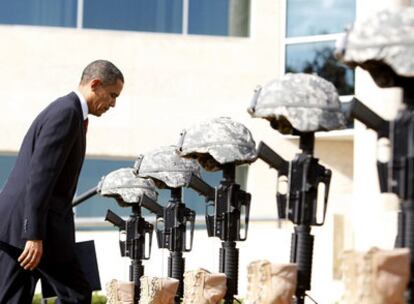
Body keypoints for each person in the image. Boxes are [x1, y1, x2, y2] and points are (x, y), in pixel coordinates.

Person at [0, 59, 124, 303]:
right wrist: (33, 235)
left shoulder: (70, 113)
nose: (113, 104)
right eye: (112, 95)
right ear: (95, 84)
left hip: (29, 228)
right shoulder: (66, 113)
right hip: (28, 230)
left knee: (14, 298)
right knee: (76, 294)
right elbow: (40, 176)